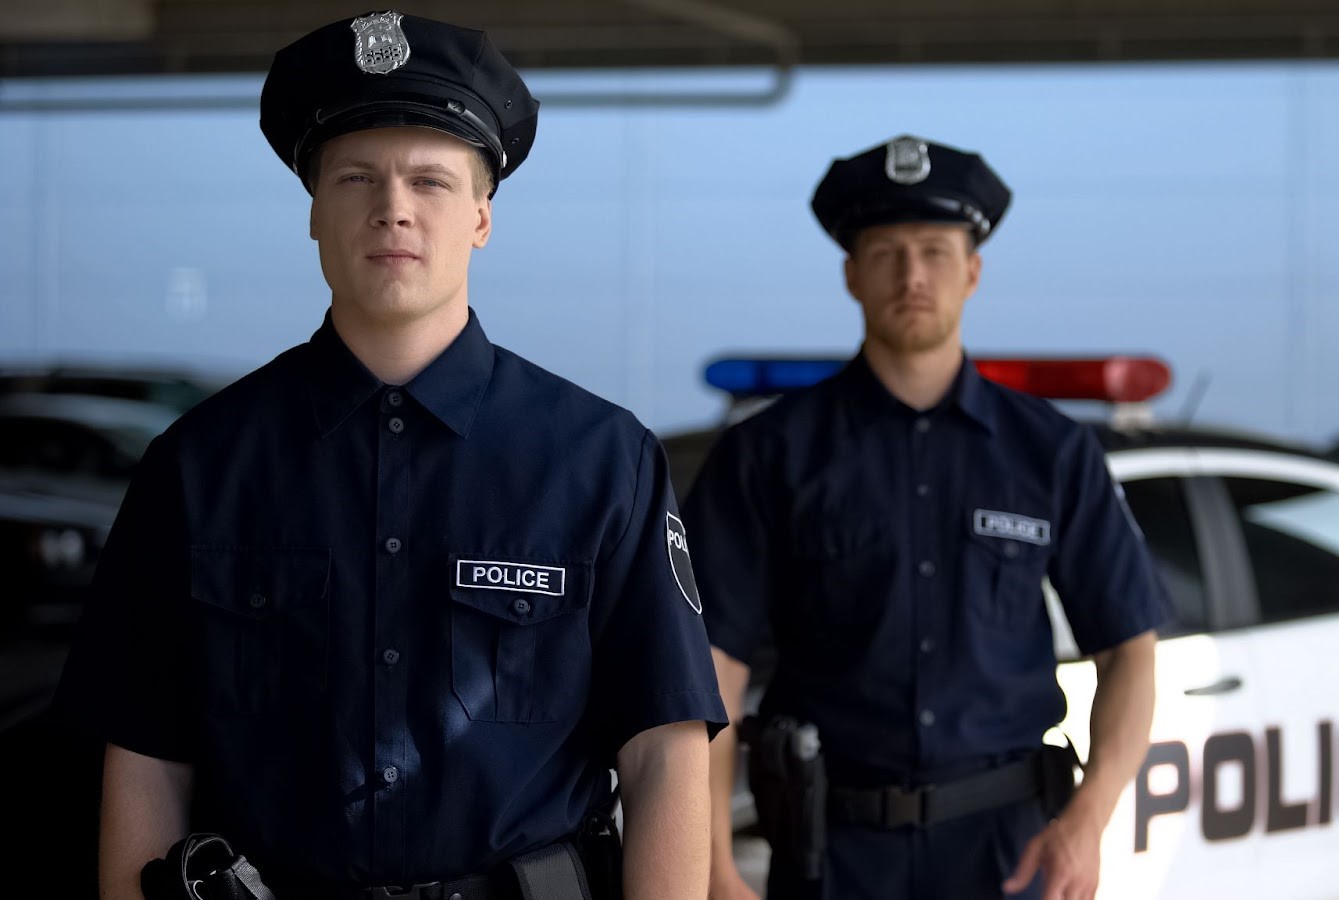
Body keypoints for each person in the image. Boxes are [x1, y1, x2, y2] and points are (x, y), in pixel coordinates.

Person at [51, 11, 726, 900]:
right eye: (357, 177)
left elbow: (663, 753)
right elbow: (144, 758)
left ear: (482, 217)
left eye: (431, 181)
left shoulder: (604, 461)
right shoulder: (198, 468)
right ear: (316, 213)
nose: (393, 207)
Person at [685, 135, 1172, 900]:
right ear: (852, 274)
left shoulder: (1051, 452)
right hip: (829, 855)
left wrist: (1088, 819)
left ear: (972, 272)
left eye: (936, 252)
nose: (913, 276)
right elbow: (709, 673)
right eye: (886, 253)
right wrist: (712, 868)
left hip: (1008, 850)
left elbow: (1130, 652)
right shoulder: (767, 455)